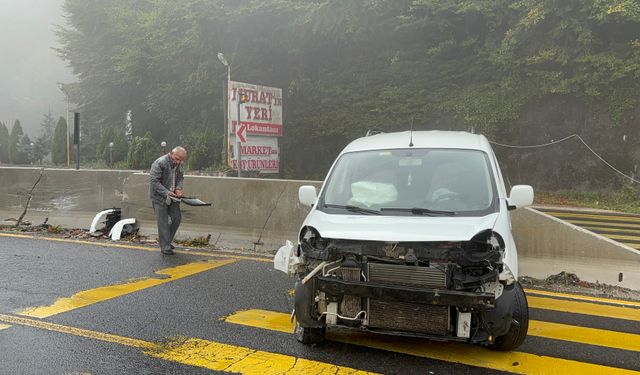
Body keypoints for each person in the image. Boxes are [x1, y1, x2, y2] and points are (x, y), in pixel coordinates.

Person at [149, 146, 186, 255]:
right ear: (171, 153)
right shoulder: (160, 162)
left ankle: (166, 241)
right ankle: (165, 247)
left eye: (181, 160)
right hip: (159, 196)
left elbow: (180, 178)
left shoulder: (180, 164)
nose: (178, 162)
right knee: (163, 222)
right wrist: (166, 192)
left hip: (174, 196)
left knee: (176, 218)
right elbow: (154, 181)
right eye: (177, 158)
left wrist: (178, 189)